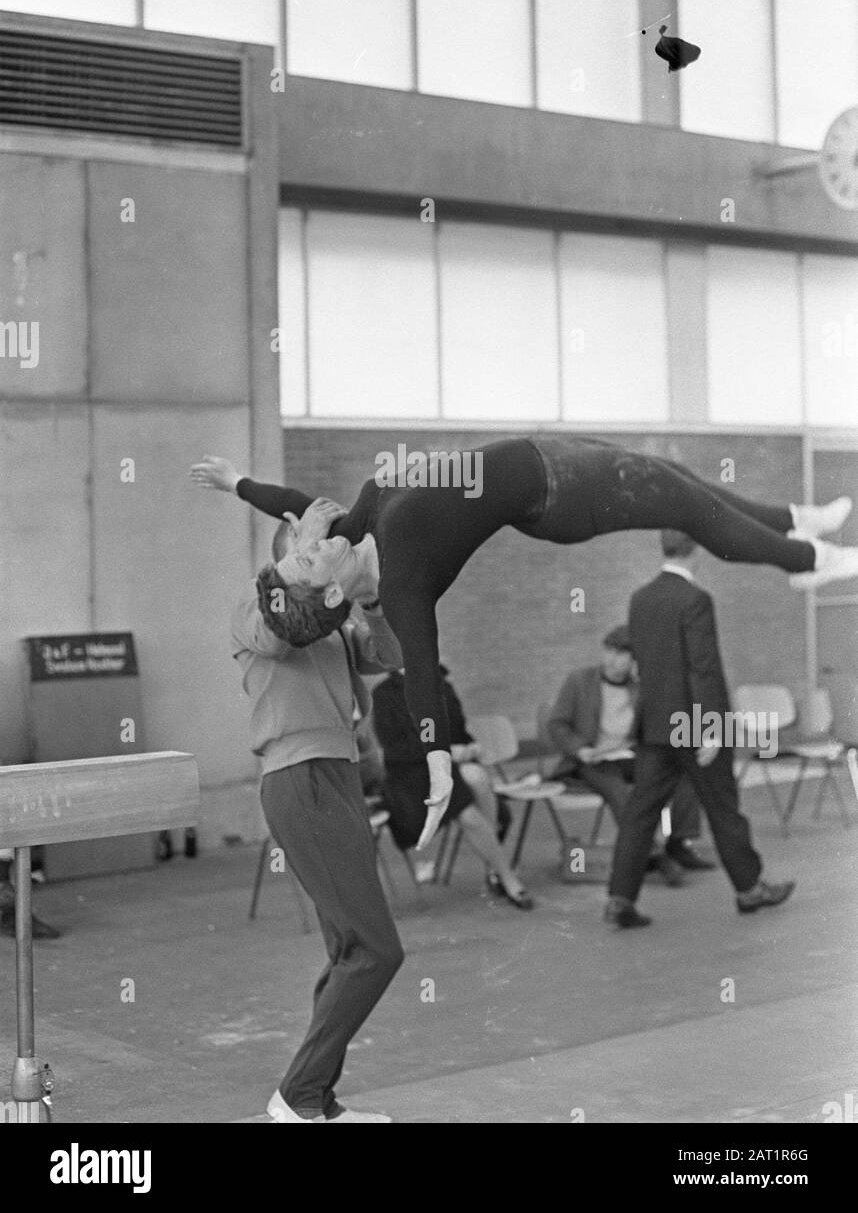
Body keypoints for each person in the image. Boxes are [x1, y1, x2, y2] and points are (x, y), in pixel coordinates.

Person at [191, 438, 856, 850]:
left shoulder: (354, 531)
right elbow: (419, 678)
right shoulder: (402, 585)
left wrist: (235, 484)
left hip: (546, 452)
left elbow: (297, 503)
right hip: (560, 492)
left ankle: (795, 519)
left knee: (673, 475)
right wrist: (438, 770)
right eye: (307, 556)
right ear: (332, 591)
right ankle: (806, 558)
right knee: (685, 504)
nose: (311, 537)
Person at [231, 499, 405, 1122]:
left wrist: (375, 602)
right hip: (297, 776)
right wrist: (309, 547)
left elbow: (389, 659)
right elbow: (281, 637)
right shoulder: (254, 610)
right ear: (289, 552)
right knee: (377, 951)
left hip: (339, 774)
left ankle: (317, 1099)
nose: (327, 554)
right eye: (313, 547)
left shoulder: (333, 620)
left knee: (347, 953)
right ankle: (297, 1096)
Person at [605, 531, 796, 929]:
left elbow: (646, 664)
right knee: (723, 809)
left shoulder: (640, 598)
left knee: (640, 813)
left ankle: (619, 899)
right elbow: (702, 667)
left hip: (655, 724)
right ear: (698, 551)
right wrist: (711, 727)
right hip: (693, 723)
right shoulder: (695, 600)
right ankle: (750, 889)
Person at [547, 625, 713, 878]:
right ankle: (654, 853)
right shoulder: (579, 681)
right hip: (590, 759)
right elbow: (557, 724)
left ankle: (678, 842)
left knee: (684, 772)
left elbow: (659, 722)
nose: (614, 660)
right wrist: (580, 749)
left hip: (629, 754)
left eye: (622, 654)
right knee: (617, 787)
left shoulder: (641, 687)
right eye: (610, 652)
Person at [372, 666, 532, 908]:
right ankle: (507, 877)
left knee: (477, 776)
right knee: (467, 813)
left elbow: (457, 728)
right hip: (412, 775)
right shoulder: (385, 694)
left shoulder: (440, 682)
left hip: (448, 766)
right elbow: (395, 750)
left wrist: (470, 746)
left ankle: (493, 867)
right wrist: (445, 751)